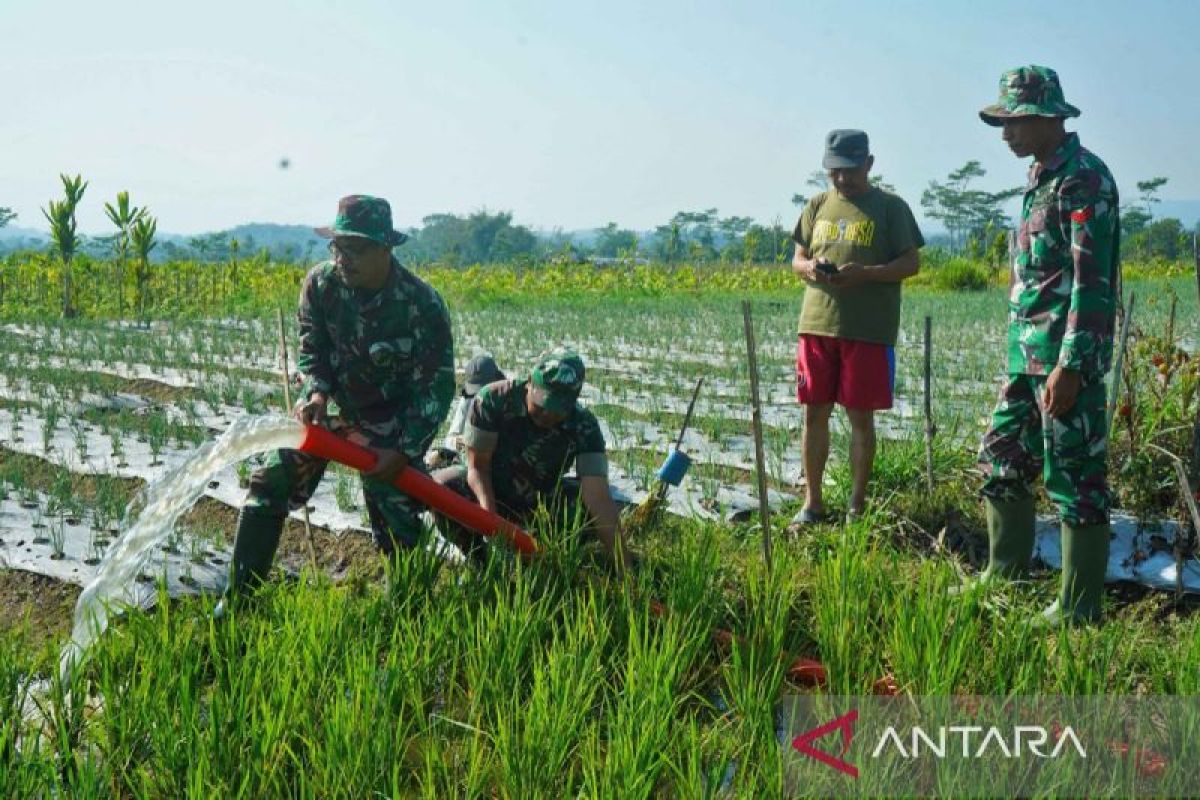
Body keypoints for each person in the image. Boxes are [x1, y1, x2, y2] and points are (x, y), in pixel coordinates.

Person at [225, 194, 455, 595]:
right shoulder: (321, 284)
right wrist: (313, 396)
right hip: (335, 414)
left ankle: (410, 608)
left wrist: (402, 449)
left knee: (397, 511)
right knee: (270, 478)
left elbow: (434, 388)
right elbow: (313, 353)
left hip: (392, 427)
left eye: (355, 249)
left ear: (384, 248)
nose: (342, 258)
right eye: (337, 247)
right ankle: (240, 597)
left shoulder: (421, 304)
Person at [969, 66, 1120, 626]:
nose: (1005, 133)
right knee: (1001, 455)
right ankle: (1003, 572)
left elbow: (1091, 280)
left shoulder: (1084, 179)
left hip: (1063, 361)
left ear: (1045, 116)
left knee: (1076, 477)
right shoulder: (1042, 175)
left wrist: (1073, 365)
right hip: (1026, 357)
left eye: (1013, 122)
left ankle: (1080, 608)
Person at [789, 129, 924, 525]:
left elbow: (910, 263)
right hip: (816, 325)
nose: (842, 179)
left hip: (868, 331)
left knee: (860, 419)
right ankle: (813, 504)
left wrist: (866, 273)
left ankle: (856, 506)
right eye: (834, 171)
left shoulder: (890, 208)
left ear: (869, 164)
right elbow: (797, 259)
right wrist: (810, 267)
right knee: (814, 414)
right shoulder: (816, 205)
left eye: (850, 170)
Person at [431, 347, 631, 570]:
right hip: (488, 492)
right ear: (529, 383)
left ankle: (548, 559)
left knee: (595, 510)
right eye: (542, 405)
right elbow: (478, 468)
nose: (548, 415)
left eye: (558, 410)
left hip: (540, 500)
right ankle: (480, 559)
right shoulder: (492, 400)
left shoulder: (584, 425)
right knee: (442, 488)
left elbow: (598, 497)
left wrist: (625, 567)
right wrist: (492, 523)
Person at [425, 352, 506, 469]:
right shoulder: (468, 399)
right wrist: (458, 442)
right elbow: (450, 439)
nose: (479, 396)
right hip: (468, 459)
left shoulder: (508, 400)